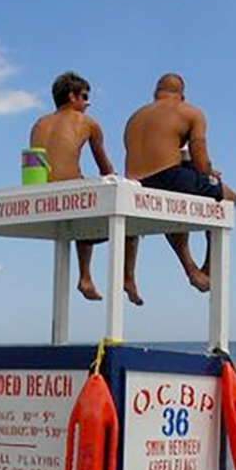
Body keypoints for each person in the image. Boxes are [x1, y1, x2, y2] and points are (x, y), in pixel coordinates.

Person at [30, 72, 142, 304]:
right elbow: (105, 168)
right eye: (84, 96)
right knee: (130, 225)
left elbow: (36, 168)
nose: (87, 103)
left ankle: (86, 277)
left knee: (85, 206)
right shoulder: (87, 123)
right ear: (72, 96)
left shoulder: (38, 124)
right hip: (72, 198)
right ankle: (124, 278)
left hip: (39, 196)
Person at [124, 73, 236, 293]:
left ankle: (190, 269)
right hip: (169, 176)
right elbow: (199, 156)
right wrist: (207, 171)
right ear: (182, 95)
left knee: (173, 209)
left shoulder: (135, 116)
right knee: (230, 197)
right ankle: (207, 267)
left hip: (137, 182)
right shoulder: (190, 112)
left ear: (155, 93)